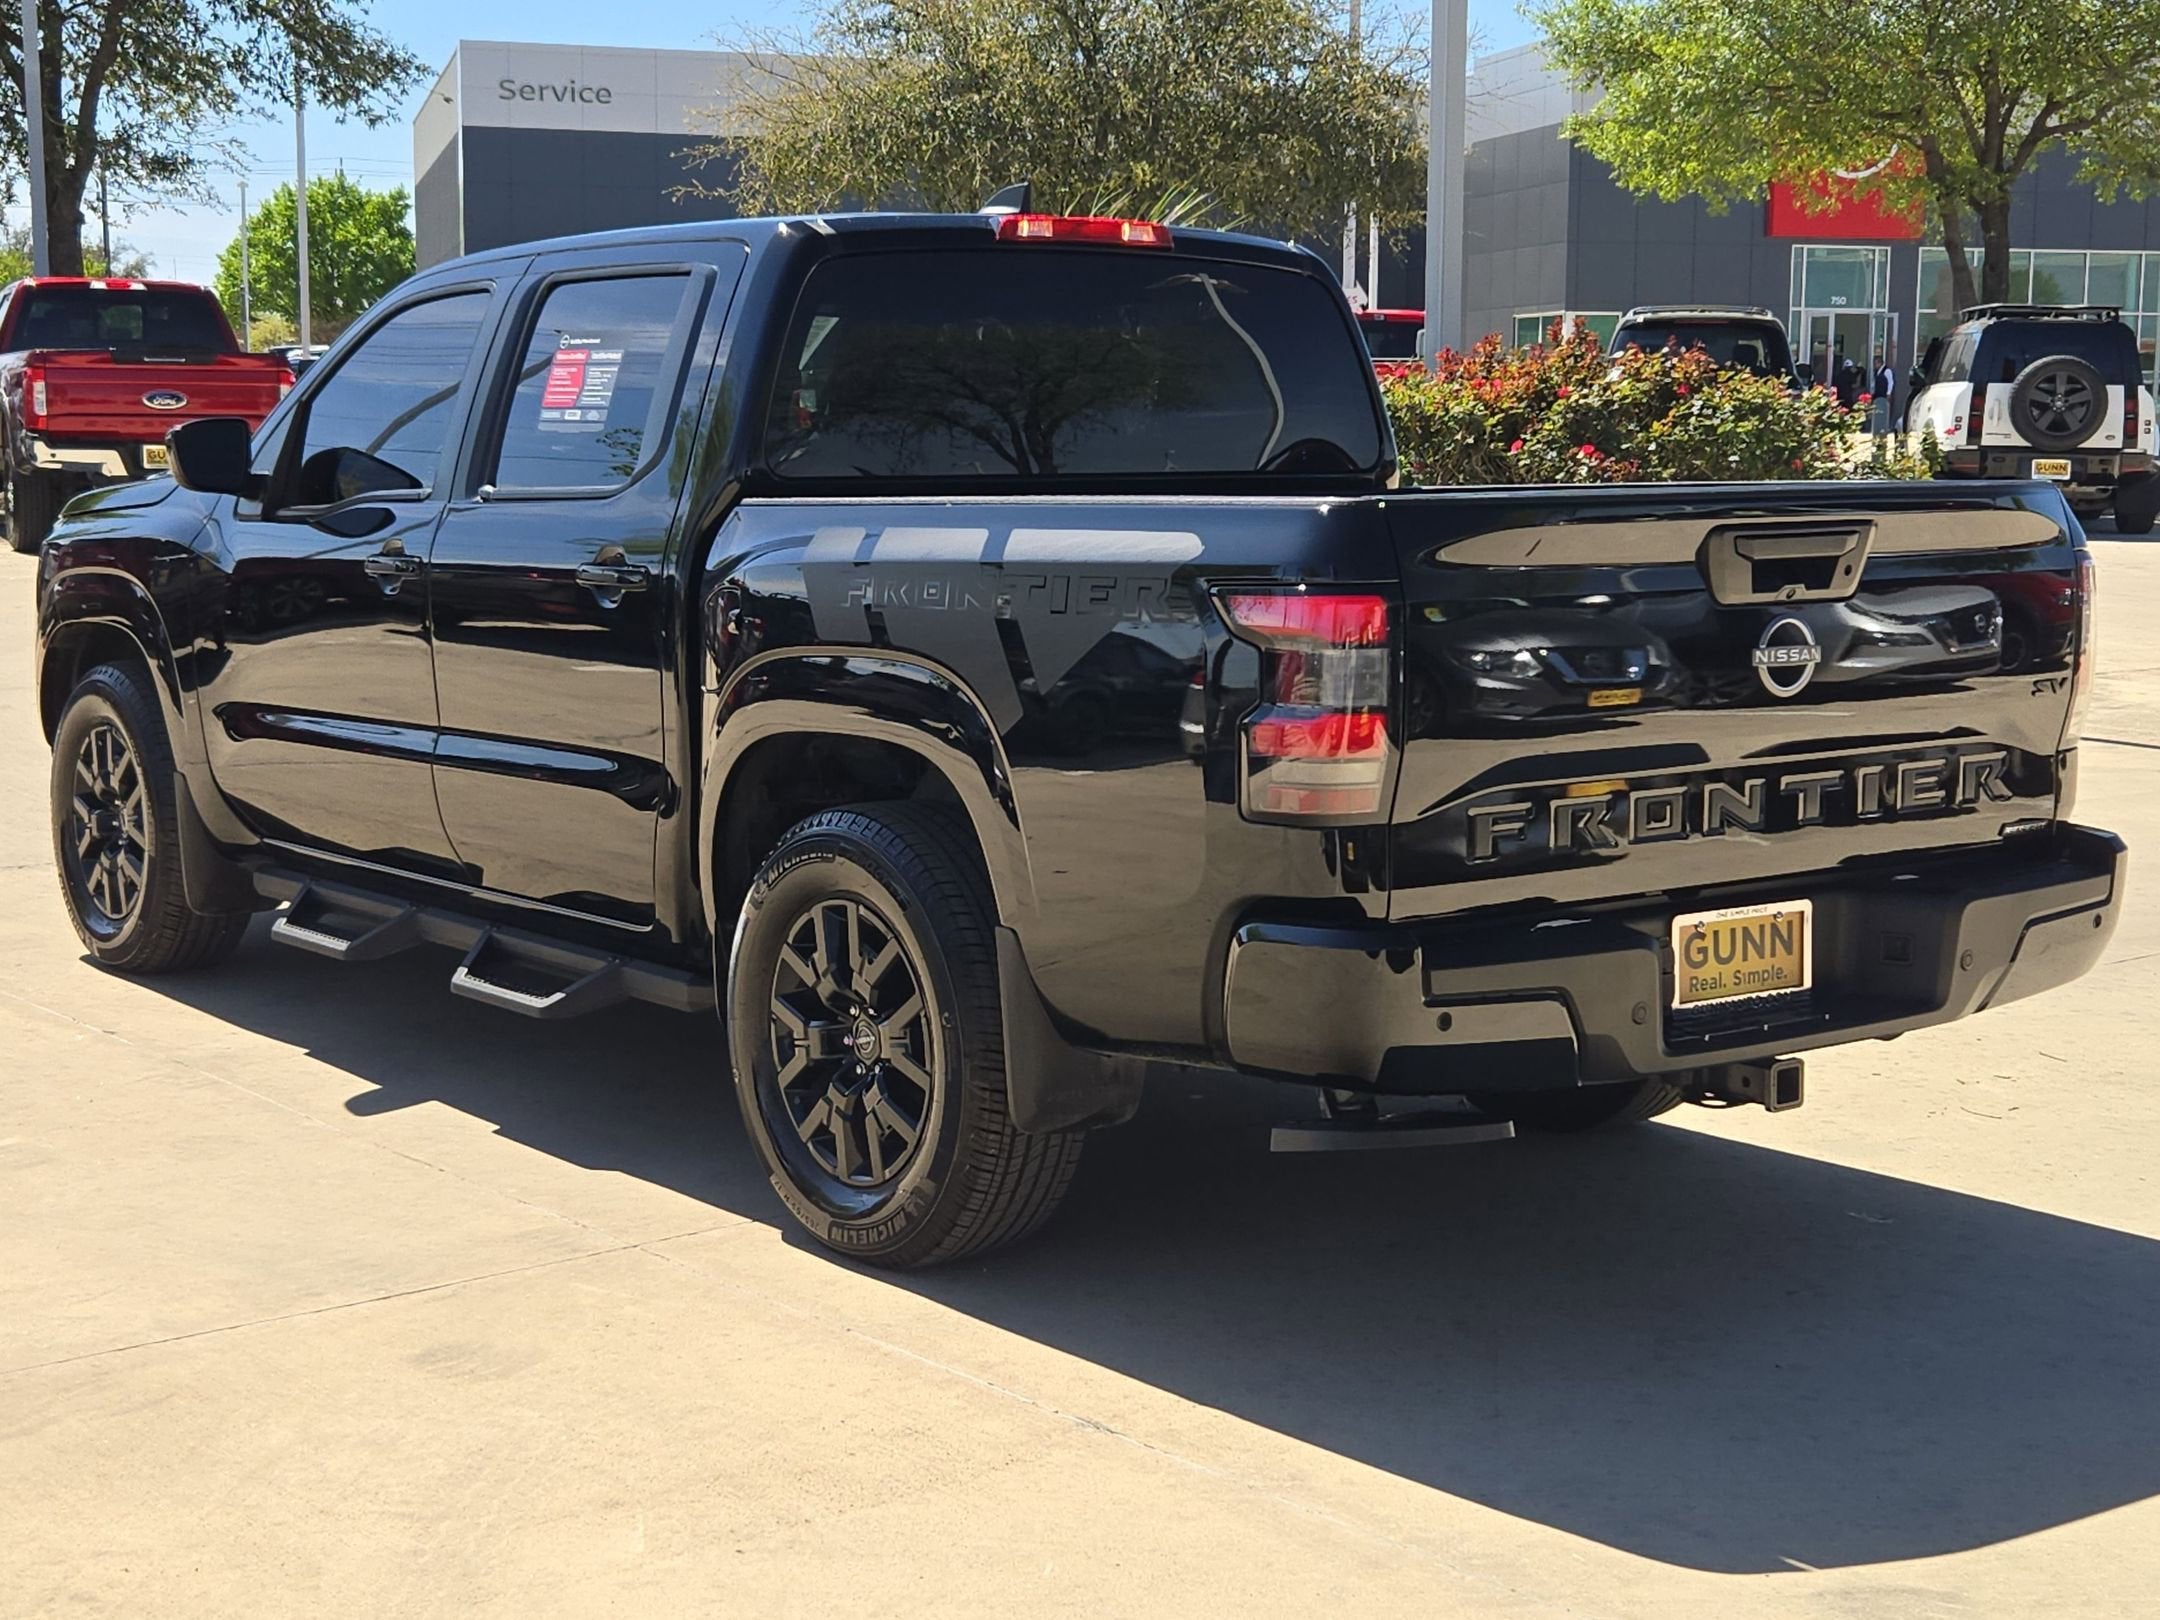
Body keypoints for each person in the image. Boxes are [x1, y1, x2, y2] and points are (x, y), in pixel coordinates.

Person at [1871, 353, 1896, 434]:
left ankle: (1886, 426)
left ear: (1879, 363)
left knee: (1886, 410)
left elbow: (1890, 382)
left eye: (1876, 363)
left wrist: (1889, 393)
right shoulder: (1877, 372)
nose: (1875, 365)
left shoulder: (1887, 370)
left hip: (1884, 394)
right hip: (1878, 394)